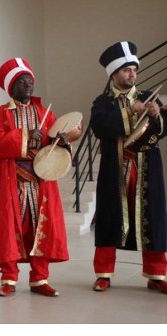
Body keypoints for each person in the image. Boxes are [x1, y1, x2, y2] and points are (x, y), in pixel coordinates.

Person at [0, 58, 70, 298]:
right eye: (22, 82)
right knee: (11, 228)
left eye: (30, 81)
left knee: (41, 227)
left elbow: (55, 139)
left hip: (41, 181)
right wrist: (24, 136)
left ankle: (39, 279)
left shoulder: (45, 112)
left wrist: (60, 141)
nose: (28, 85)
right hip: (14, 180)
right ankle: (9, 278)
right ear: (12, 87)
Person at [90, 41, 167, 294]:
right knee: (109, 216)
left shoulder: (148, 97)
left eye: (134, 69)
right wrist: (130, 111)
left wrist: (157, 115)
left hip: (147, 168)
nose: (132, 74)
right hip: (115, 168)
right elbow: (99, 127)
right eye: (126, 70)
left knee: (153, 218)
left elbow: (163, 129)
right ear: (114, 73)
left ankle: (157, 274)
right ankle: (103, 274)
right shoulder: (102, 102)